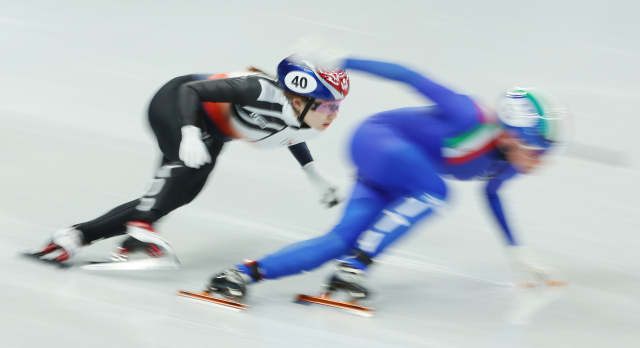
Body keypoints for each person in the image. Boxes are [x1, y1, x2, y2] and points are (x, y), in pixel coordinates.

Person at [204, 58, 571, 301]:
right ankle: (356, 266)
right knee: (437, 192)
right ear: (511, 134)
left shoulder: (505, 164)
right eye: (537, 150)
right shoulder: (469, 117)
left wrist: (515, 251)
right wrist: (343, 62)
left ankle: (241, 274)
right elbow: (410, 77)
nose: (541, 161)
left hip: (398, 175)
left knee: (339, 240)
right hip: (377, 139)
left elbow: (492, 195)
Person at [29, 54, 350, 266]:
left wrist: (314, 176)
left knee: (174, 195)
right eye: (328, 106)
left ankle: (78, 236)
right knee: (184, 175)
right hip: (177, 103)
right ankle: (140, 228)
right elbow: (193, 91)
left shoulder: (304, 117)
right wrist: (190, 133)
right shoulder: (255, 89)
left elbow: (292, 136)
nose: (333, 114)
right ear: (298, 99)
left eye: (337, 106)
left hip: (208, 130)